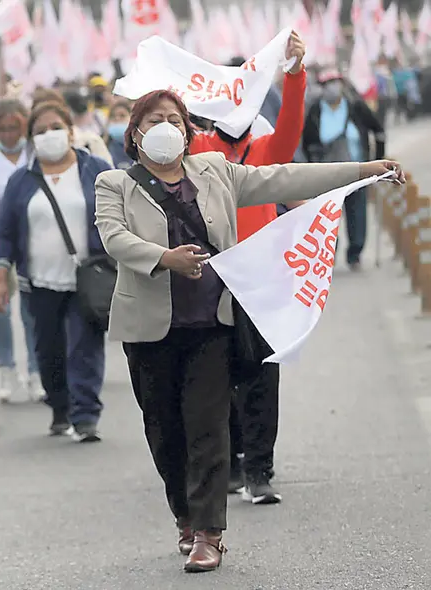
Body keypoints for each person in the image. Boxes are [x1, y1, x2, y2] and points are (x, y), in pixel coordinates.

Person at [94, 88, 402, 573]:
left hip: (213, 326)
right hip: (150, 330)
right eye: (154, 120)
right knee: (165, 433)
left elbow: (282, 178)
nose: (166, 128)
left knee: (208, 429)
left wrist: (361, 170)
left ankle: (210, 534)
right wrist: (162, 259)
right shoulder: (114, 183)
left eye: (175, 119)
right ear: (135, 134)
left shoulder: (215, 171)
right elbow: (114, 238)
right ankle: (185, 518)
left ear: (188, 131)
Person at [190, 31, 307, 504]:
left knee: (262, 374)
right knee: (219, 377)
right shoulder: (194, 148)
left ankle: (260, 469)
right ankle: (232, 461)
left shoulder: (264, 152)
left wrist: (294, 74)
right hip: (209, 280)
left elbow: (291, 130)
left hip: (259, 281)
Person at [0, 100, 111, 442]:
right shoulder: (21, 181)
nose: (49, 135)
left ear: (71, 131)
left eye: (56, 127)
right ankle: (60, 407)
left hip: (87, 278)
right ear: (32, 140)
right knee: (48, 347)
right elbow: (5, 230)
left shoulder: (96, 169)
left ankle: (86, 414)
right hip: (39, 281)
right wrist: (0, 272)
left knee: (85, 345)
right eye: (40, 131)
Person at [0, 98, 44, 402]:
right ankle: (6, 369)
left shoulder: (37, 153)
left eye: (14, 129)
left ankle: (35, 371)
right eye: (2, 129)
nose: (8, 135)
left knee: (32, 310)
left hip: (33, 236)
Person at [302, 69, 386, 271]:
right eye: (328, 83)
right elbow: (307, 141)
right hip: (327, 174)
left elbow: (378, 130)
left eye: (336, 82)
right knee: (328, 215)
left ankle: (355, 254)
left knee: (357, 212)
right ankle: (330, 254)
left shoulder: (355, 106)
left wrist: (378, 161)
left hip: (358, 169)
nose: (333, 87)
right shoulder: (315, 110)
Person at [104, 100, 134, 169]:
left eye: (122, 115)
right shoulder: (104, 146)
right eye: (113, 116)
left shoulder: (139, 146)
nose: (117, 119)